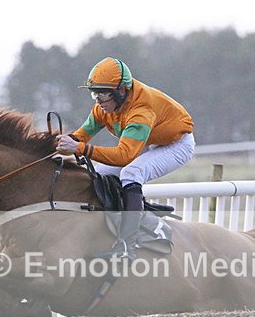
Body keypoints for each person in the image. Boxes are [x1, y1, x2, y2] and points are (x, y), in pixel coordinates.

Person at [56, 57, 195, 259]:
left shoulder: (141, 111)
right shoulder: (104, 108)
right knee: (96, 173)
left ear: (121, 91)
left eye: (102, 94)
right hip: (150, 140)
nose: (98, 101)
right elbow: (80, 137)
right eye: (94, 93)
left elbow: (124, 156)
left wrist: (79, 148)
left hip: (177, 145)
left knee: (132, 172)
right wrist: (56, 144)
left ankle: (126, 246)